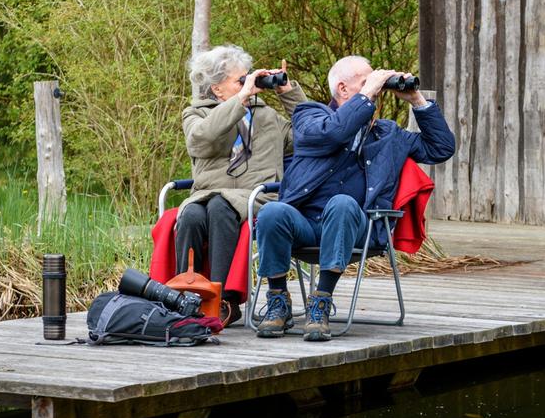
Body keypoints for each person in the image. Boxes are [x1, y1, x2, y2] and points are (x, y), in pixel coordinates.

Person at [253, 55, 455, 341]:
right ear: (343, 89)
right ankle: (278, 301)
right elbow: (334, 133)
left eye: (375, 84)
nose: (376, 88)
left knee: (343, 203)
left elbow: (441, 148)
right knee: (273, 212)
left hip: (359, 226)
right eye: (365, 82)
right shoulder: (310, 116)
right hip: (305, 224)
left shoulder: (388, 134)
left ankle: (321, 302)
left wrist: (416, 100)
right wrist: (368, 92)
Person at [177, 44, 306, 327]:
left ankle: (223, 300)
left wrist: (288, 92)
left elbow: (307, 135)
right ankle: (185, 297)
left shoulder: (267, 116)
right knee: (191, 214)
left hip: (256, 197)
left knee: (221, 206)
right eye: (240, 80)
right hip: (208, 196)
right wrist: (239, 103)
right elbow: (200, 140)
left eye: (250, 77)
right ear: (217, 88)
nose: (249, 84)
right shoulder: (196, 114)